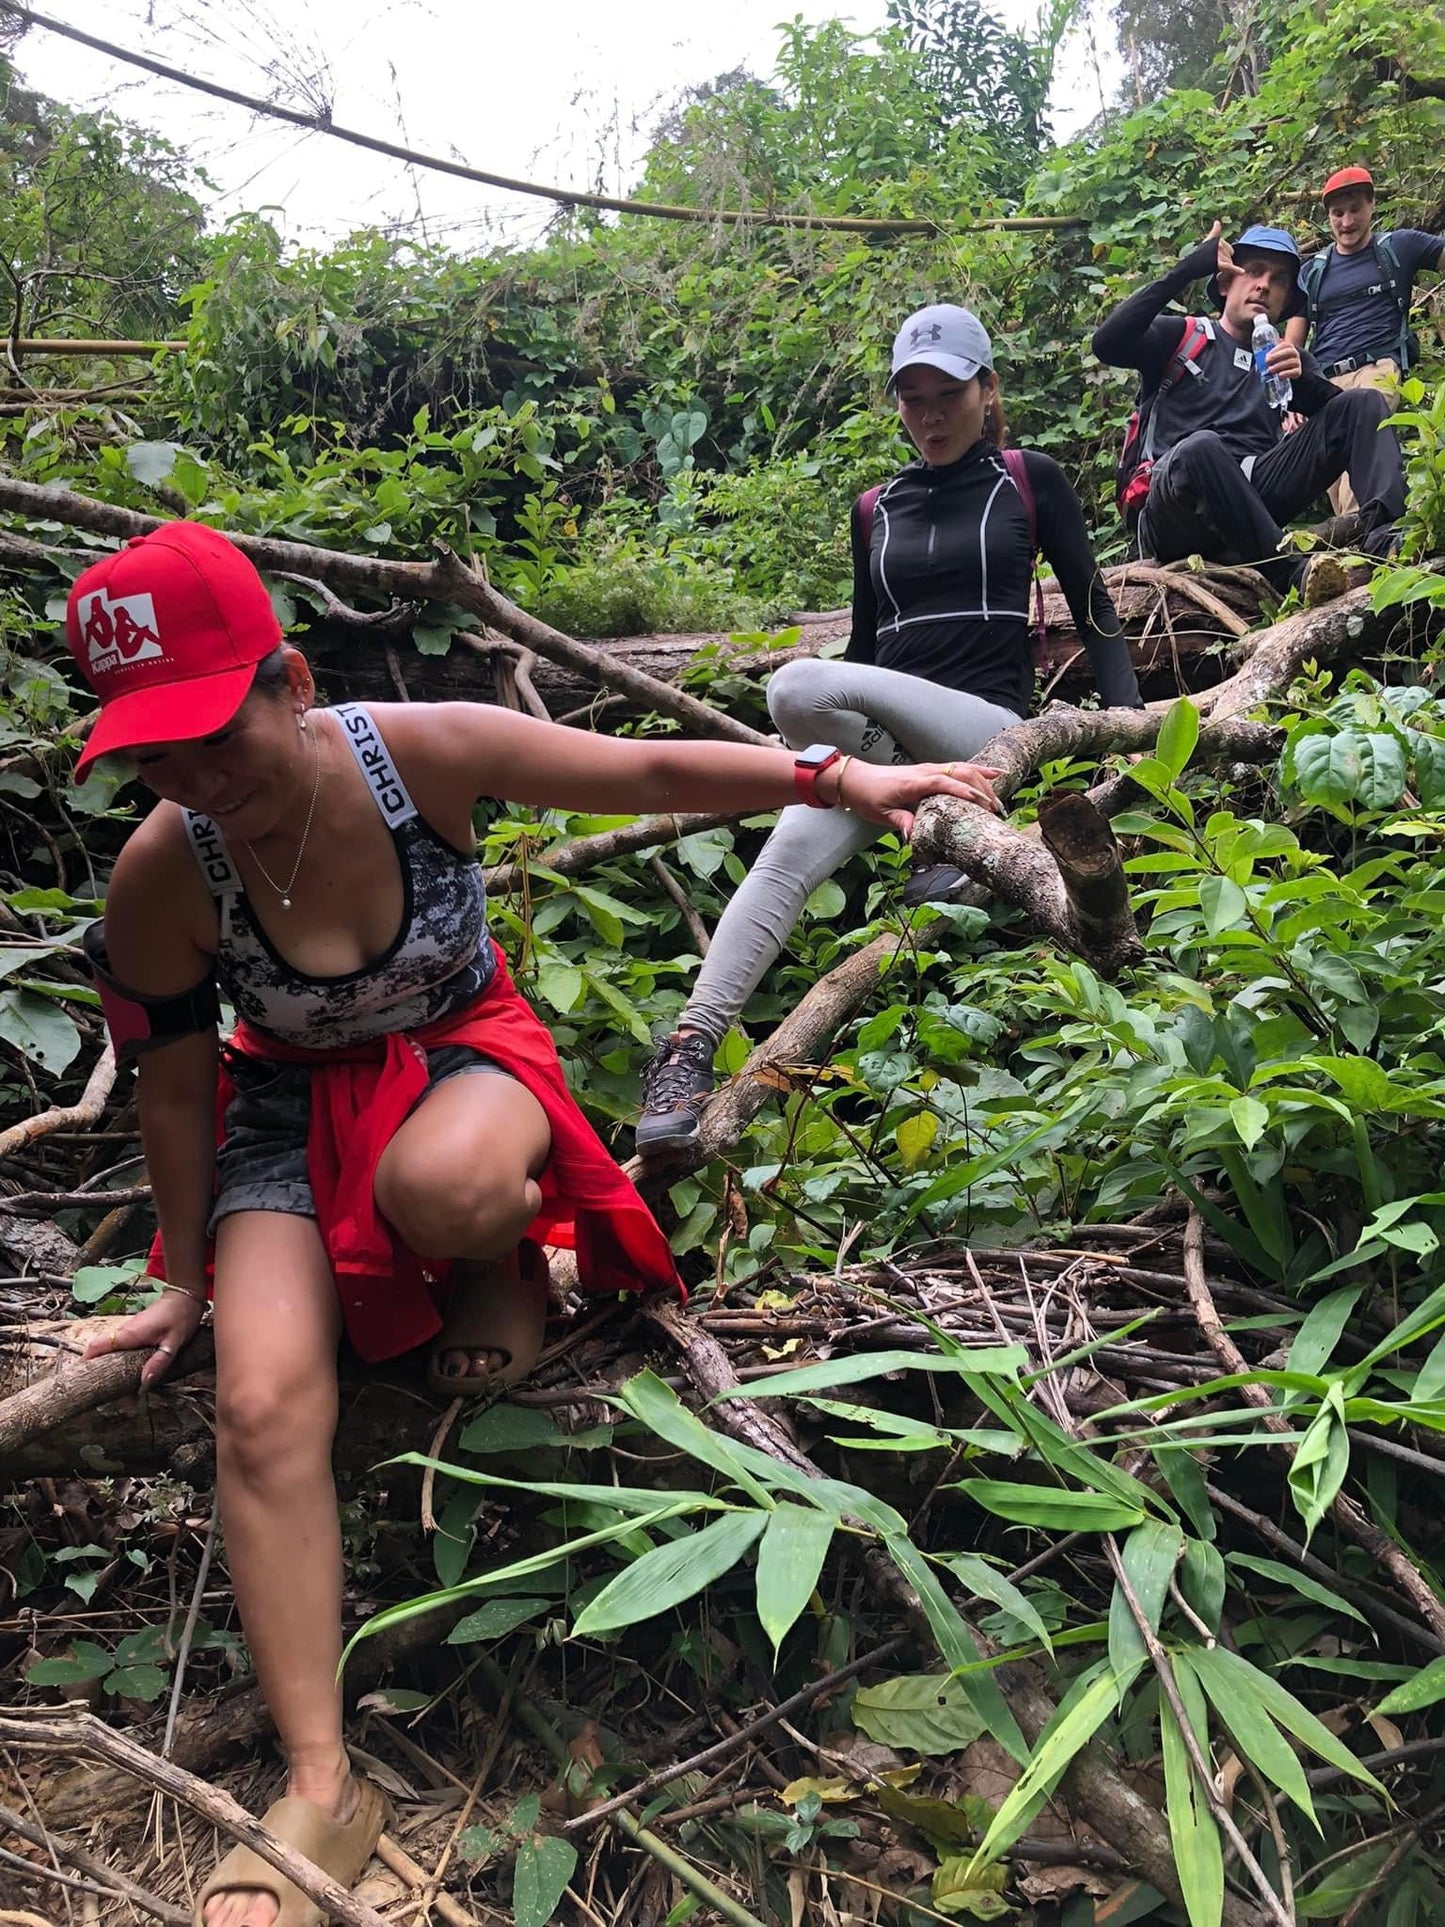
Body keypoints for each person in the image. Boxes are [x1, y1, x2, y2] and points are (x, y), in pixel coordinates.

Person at [67, 521, 995, 1927]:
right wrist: (185, 1279)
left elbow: (634, 768)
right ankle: (323, 1778)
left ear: (292, 681)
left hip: (463, 1066)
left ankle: (502, 1261)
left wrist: (840, 773)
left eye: (214, 732)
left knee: (435, 1185)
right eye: (154, 750)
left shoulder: (413, 756)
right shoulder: (165, 872)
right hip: (286, 1115)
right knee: (260, 1405)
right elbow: (183, 1092)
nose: (194, 777)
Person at [635, 303, 1143, 1155]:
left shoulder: (1026, 477)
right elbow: (869, 651)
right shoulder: (874, 505)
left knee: (795, 683)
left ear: (986, 389)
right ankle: (688, 1053)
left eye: (946, 392)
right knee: (782, 857)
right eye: (910, 398)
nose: (929, 414)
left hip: (981, 729)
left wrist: (1128, 724)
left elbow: (1091, 602)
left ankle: (935, 825)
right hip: (892, 760)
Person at [1093, 222, 1407, 588]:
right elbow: (1107, 344)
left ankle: (1388, 541)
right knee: (1202, 447)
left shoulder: (1287, 360)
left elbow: (1353, 428)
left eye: (1279, 279)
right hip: (1175, 511)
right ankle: (1289, 574)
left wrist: (1308, 382)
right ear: (1226, 283)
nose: (1264, 285)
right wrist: (1188, 269)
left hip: (1253, 498)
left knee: (1364, 402)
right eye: (1254, 271)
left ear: (1287, 299)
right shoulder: (1183, 336)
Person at [1284, 165, 1444, 516]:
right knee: (1335, 472)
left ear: (1372, 205)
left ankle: (1364, 542)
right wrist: (1290, 397)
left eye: (1355, 209)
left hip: (1377, 367)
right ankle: (1357, 551)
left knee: (1361, 451)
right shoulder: (1313, 271)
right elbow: (1291, 343)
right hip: (1323, 380)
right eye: (1338, 213)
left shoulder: (1398, 247)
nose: (1346, 221)